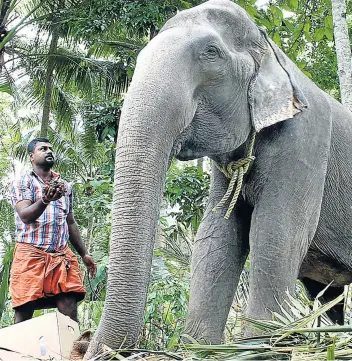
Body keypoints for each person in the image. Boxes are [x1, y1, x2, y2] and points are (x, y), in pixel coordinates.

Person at [10, 137, 97, 324]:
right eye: (43, 149)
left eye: (51, 148)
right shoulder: (23, 182)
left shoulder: (64, 186)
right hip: (31, 255)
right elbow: (25, 215)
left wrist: (84, 254)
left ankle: (72, 352)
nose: (49, 151)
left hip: (60, 256)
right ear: (32, 156)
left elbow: (70, 221)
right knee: (24, 310)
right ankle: (16, 353)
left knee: (69, 305)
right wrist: (45, 200)